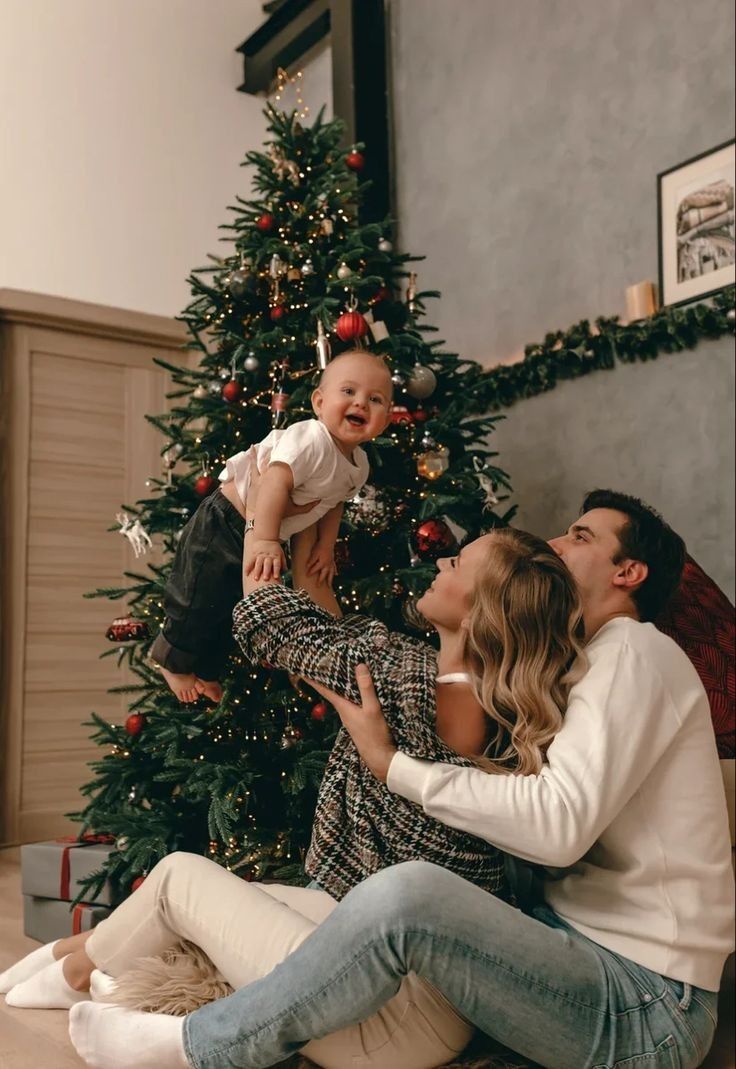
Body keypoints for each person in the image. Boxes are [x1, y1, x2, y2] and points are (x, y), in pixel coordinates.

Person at [50, 489, 734, 1069]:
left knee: (409, 893)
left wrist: (395, 767)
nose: (556, 541)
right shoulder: (568, 668)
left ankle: (201, 1044)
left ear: (630, 571)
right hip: (568, 952)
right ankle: (76, 967)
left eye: (582, 535)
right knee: (310, 901)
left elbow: (556, 827)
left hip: (647, 1004)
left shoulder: (636, 652)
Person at [1, 526, 583, 1066]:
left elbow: (269, 624)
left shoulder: (404, 677)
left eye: (459, 562)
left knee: (180, 876)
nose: (441, 559)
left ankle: (75, 972)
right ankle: (70, 957)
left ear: (480, 610)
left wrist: (261, 523)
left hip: (389, 1018)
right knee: (234, 900)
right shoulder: (488, 699)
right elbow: (334, 640)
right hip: (424, 997)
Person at [149, 349, 393, 703]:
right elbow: (275, 481)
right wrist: (264, 539)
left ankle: (206, 671)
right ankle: (171, 660)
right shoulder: (311, 439)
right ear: (319, 403)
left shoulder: (358, 464)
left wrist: (325, 547)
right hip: (225, 520)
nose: (361, 403)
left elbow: (333, 503)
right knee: (198, 597)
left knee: (231, 606)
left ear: (385, 420)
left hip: (265, 532)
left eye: (375, 399)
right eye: (349, 392)